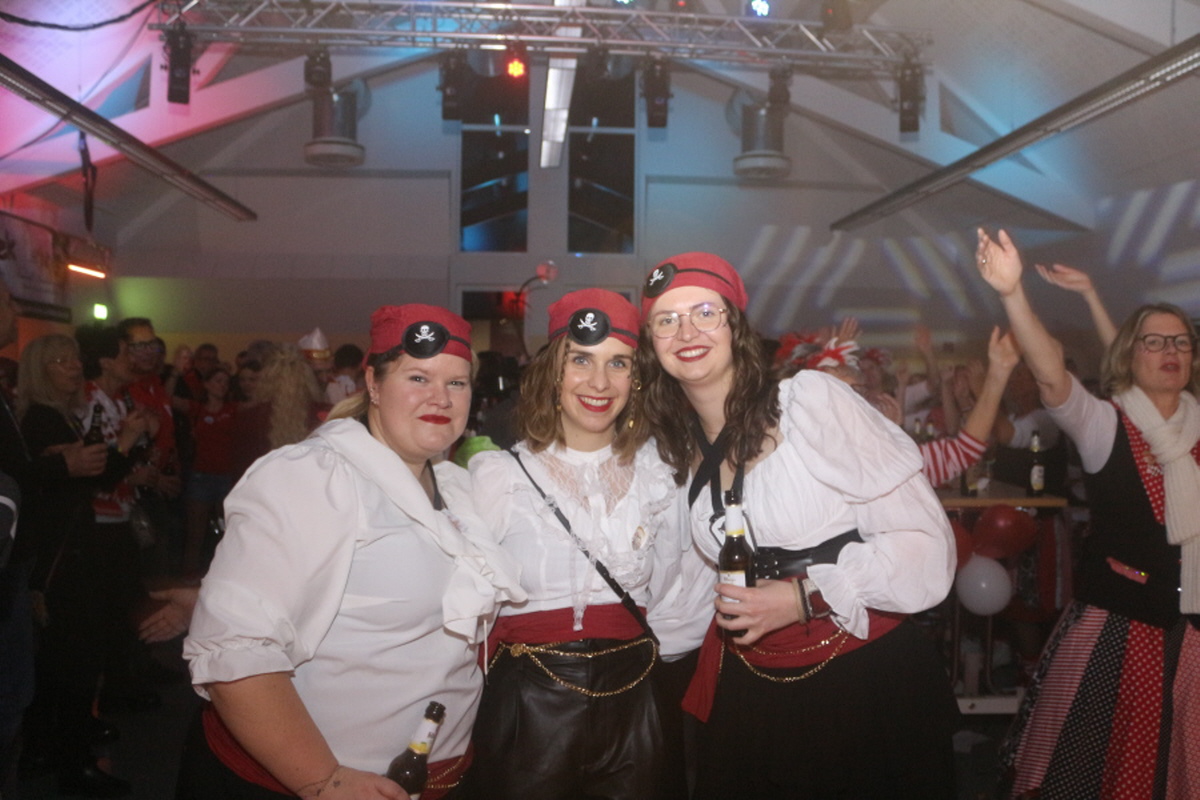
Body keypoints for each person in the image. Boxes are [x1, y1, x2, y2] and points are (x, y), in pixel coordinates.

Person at [637, 252, 959, 799]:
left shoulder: (810, 401)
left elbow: (926, 545)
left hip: (860, 679)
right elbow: (693, 591)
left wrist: (803, 598)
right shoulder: (678, 450)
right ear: (651, 342)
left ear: (735, 326)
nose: (686, 332)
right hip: (752, 688)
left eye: (705, 313)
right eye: (666, 320)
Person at [178, 304, 525, 800]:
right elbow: (234, 649)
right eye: (418, 377)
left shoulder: (456, 488)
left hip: (438, 776)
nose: (441, 398)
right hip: (314, 784)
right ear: (373, 384)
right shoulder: (314, 477)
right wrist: (322, 779)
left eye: (457, 382)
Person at [975, 228, 1200, 798]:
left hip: (1194, 633)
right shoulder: (1107, 424)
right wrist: (1013, 292)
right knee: (1107, 774)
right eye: (1155, 342)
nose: (1170, 352)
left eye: (1180, 343)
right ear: (1129, 355)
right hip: (1123, 629)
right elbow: (1052, 374)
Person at [461, 289, 696, 800]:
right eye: (581, 360)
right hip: (528, 710)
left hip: (636, 703)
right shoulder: (500, 477)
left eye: (618, 363)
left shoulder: (659, 475)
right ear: (553, 373)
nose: (599, 382)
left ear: (636, 378)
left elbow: (678, 592)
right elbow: (466, 609)